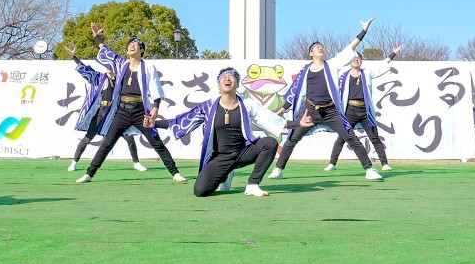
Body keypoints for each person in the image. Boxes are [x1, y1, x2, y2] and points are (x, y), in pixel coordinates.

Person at [269, 17, 384, 181]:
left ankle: (369, 169)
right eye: (317, 47)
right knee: (292, 139)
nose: (320, 47)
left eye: (321, 46)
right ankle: (278, 169)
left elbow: (350, 48)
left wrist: (364, 30)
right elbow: (294, 93)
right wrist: (281, 110)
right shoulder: (305, 71)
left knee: (350, 137)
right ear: (311, 53)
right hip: (310, 111)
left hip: (331, 111)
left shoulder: (332, 65)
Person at [170, 67, 314, 196]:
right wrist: (158, 124)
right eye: (223, 77)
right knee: (200, 191)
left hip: (242, 152)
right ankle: (226, 174)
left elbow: (270, 119)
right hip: (220, 157)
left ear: (237, 84)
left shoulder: (246, 103)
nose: (227, 78)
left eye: (231, 76)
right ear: (219, 86)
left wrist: (298, 123)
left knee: (270, 143)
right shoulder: (209, 106)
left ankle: (253, 185)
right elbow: (182, 120)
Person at [76, 24, 185, 184]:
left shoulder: (148, 67)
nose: (132, 45)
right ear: (127, 51)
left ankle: (175, 173)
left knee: (156, 142)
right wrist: (96, 37)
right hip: (122, 111)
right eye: (130, 44)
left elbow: (155, 86)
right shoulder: (121, 64)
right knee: (107, 143)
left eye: (136, 44)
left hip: (141, 111)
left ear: (142, 50)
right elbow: (106, 51)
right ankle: (89, 174)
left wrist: (156, 107)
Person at [66, 45, 145, 173]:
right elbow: (85, 69)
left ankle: (136, 163)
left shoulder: (121, 79)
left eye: (111, 66)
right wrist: (74, 57)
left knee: (129, 137)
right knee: (88, 137)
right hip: (101, 112)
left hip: (115, 113)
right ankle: (74, 162)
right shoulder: (98, 77)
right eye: (107, 65)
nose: (109, 67)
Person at [325, 45, 401, 172]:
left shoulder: (367, 73)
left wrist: (393, 54)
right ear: (350, 62)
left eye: (358, 58)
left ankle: (384, 164)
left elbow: (381, 65)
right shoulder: (343, 76)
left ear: (361, 61)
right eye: (354, 58)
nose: (356, 60)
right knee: (342, 137)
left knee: (374, 138)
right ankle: (332, 163)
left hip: (366, 111)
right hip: (350, 111)